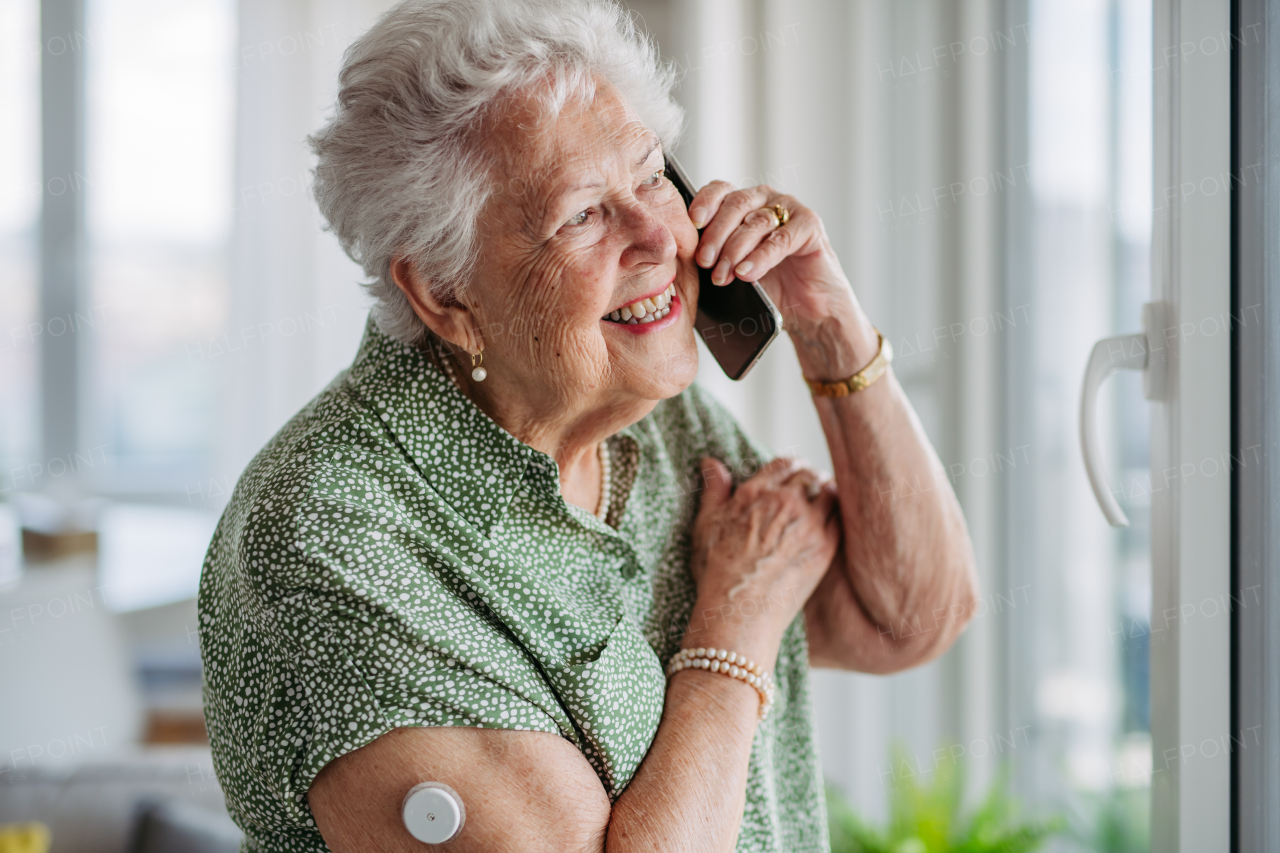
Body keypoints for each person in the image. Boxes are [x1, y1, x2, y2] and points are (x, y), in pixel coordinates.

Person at [197, 1, 978, 850]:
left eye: (649, 177)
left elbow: (905, 617)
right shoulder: (335, 539)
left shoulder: (656, 419)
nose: (655, 235)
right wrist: (737, 622)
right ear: (446, 294)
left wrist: (828, 322)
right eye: (582, 215)